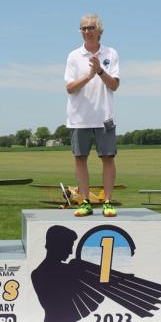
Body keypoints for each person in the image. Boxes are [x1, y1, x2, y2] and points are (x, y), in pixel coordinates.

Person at [64, 13, 120, 217]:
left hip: (104, 116)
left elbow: (114, 84)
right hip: (79, 117)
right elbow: (70, 87)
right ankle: (85, 201)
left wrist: (100, 71)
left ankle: (107, 201)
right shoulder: (73, 56)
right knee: (80, 158)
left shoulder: (111, 53)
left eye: (90, 28)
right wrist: (88, 75)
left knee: (107, 158)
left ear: (99, 30)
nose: (86, 32)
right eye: (83, 28)